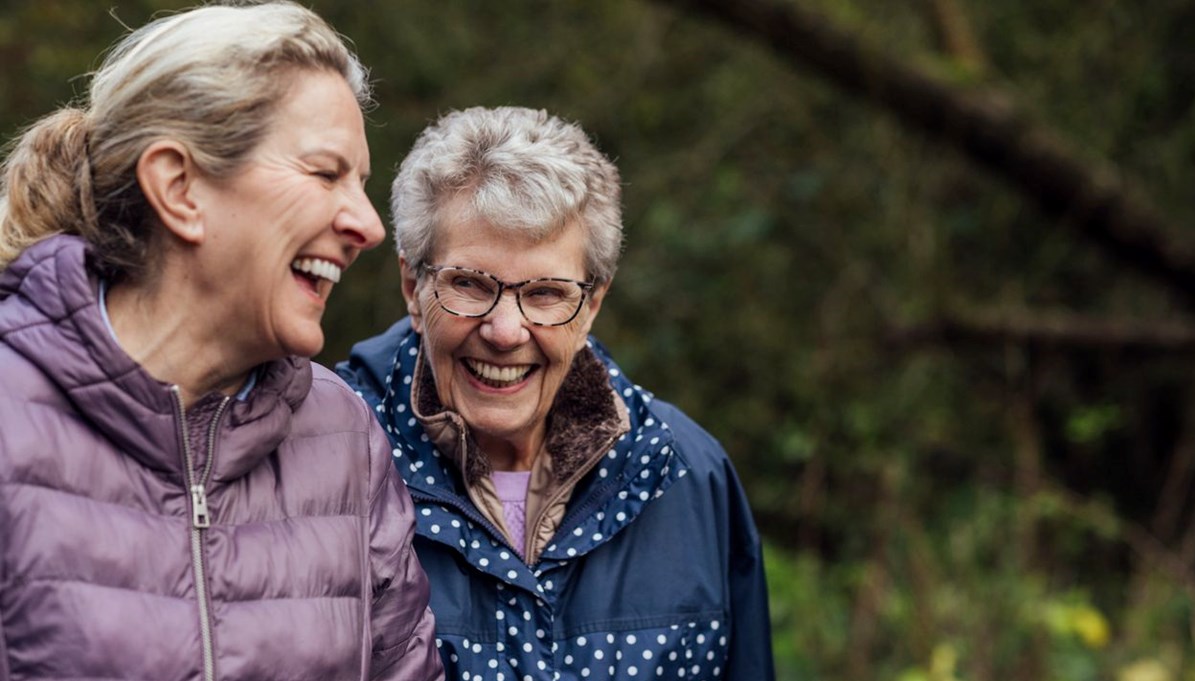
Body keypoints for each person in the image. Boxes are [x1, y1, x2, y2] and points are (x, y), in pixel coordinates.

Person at [0, 3, 443, 680]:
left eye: (361, 183)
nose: (367, 224)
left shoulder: (342, 434)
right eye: (326, 174)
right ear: (180, 188)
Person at [338, 106, 775, 680]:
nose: (505, 331)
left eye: (545, 293)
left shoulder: (688, 474)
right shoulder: (323, 461)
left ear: (592, 304)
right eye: (468, 284)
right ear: (412, 288)